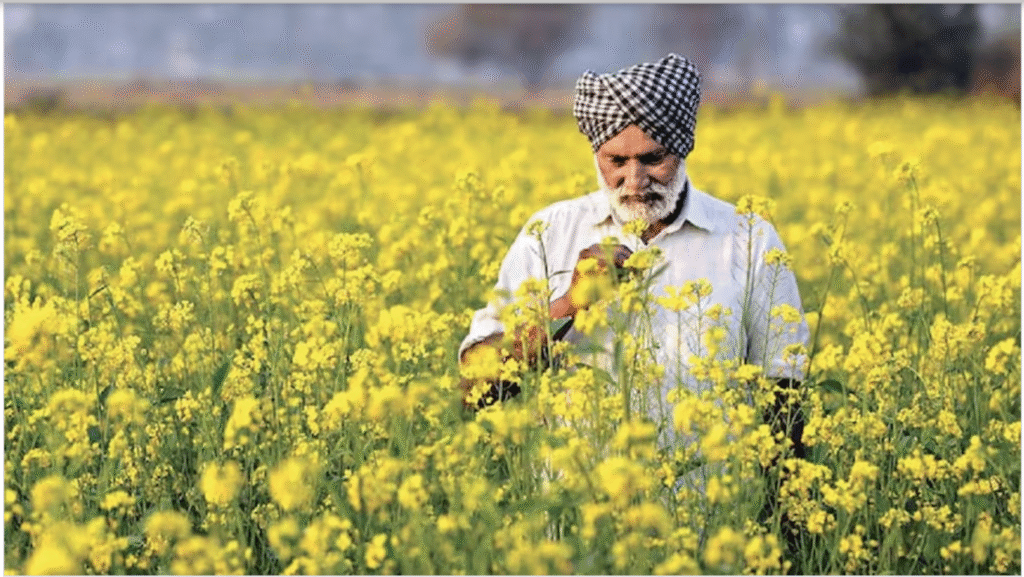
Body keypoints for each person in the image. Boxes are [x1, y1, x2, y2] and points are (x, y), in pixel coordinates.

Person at [459, 52, 809, 556]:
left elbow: (784, 395)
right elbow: (474, 385)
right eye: (616, 161)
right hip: (574, 539)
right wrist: (567, 306)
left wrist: (789, 538)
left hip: (708, 537)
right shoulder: (549, 233)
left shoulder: (749, 239)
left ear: (684, 149)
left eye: (653, 159)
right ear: (596, 154)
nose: (634, 180)